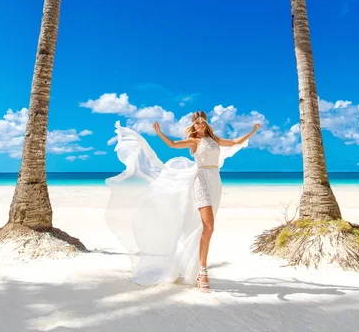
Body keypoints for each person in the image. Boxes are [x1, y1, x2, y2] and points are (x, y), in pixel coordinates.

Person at [105, 110, 261, 293]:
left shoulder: (214, 140)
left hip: (215, 181)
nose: (200, 125)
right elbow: (172, 144)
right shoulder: (194, 141)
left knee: (204, 227)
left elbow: (235, 142)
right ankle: (202, 272)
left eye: (202, 122)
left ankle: (193, 265)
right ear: (193, 125)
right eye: (197, 123)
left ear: (206, 123)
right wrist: (159, 132)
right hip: (201, 180)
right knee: (208, 226)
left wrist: (253, 131)